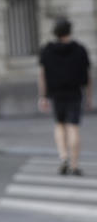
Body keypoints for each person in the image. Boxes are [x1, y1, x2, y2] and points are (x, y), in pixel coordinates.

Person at [38, 18, 92, 176]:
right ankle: (75, 165)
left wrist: (43, 96)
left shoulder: (47, 50)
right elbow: (88, 76)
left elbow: (42, 75)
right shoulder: (80, 49)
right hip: (75, 92)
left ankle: (63, 158)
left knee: (59, 125)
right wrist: (89, 97)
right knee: (73, 127)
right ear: (70, 30)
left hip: (56, 93)